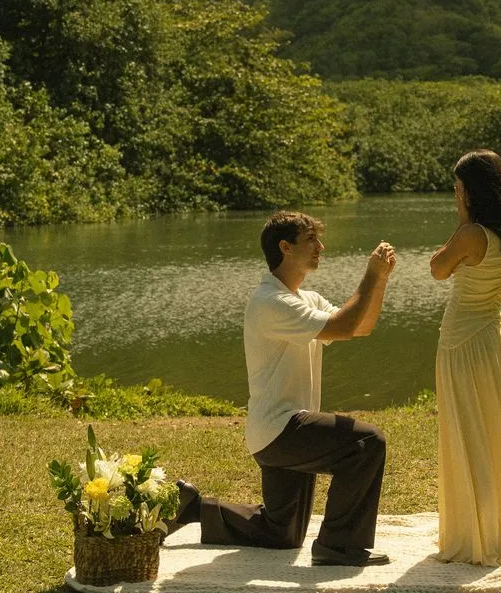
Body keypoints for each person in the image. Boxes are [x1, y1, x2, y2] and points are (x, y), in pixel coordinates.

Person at [169, 211, 397, 567]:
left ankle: (194, 507)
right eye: (311, 240)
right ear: (285, 247)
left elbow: (360, 326)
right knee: (367, 443)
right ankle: (339, 547)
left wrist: (379, 280)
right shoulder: (270, 303)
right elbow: (346, 324)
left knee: (281, 533)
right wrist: (369, 274)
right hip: (280, 429)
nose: (321, 247)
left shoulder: (306, 298)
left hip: (281, 432)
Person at [430, 150, 501, 566]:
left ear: (471, 191)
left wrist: (461, 218)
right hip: (494, 337)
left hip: (462, 343)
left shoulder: (470, 234)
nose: (456, 194)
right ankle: (494, 525)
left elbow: (438, 269)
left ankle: (472, 532)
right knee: (491, 431)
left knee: (465, 430)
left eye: (459, 188)